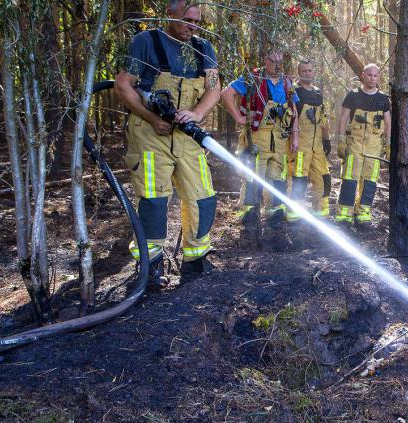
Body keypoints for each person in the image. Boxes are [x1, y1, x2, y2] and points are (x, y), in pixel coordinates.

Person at [114, 0, 221, 285]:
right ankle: (151, 269)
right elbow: (124, 84)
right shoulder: (146, 42)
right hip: (151, 135)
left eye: (197, 22)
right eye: (187, 19)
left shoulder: (204, 49)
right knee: (154, 200)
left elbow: (214, 89)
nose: (192, 26)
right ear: (169, 14)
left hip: (188, 135)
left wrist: (197, 113)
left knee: (202, 196)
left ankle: (195, 262)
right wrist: (151, 118)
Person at [220, 46, 300, 228]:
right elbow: (226, 93)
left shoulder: (287, 83)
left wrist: (295, 136)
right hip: (257, 135)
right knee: (254, 174)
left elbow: (293, 111)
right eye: (274, 61)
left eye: (281, 62)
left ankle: (274, 212)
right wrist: (239, 117)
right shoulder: (253, 78)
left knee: (278, 176)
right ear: (265, 60)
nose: (278, 65)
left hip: (280, 137)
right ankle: (250, 213)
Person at [335, 63, 391, 227]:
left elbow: (388, 123)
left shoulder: (383, 99)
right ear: (363, 75)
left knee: (370, 181)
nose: (372, 78)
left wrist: (388, 145)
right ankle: (344, 215)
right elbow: (343, 118)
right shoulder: (352, 96)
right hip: (355, 144)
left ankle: (363, 215)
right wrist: (340, 140)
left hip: (374, 147)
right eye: (369, 75)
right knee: (349, 179)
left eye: (375, 76)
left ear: (378, 77)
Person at [288, 59, 332, 220]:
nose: (308, 73)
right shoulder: (293, 91)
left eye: (310, 70)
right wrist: (294, 138)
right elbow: (291, 119)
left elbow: (323, 120)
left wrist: (326, 140)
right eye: (304, 71)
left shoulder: (318, 93)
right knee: (298, 178)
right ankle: (294, 213)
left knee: (323, 177)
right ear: (299, 73)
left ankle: (320, 211)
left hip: (317, 146)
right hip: (300, 145)